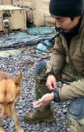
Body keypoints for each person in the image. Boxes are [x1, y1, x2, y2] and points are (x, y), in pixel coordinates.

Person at [24, 0, 84, 131]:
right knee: (42, 70)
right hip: (77, 71)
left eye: (60, 20)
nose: (57, 25)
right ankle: (44, 113)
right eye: (55, 19)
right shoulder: (64, 27)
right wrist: (51, 73)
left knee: (77, 112)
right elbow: (58, 51)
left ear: (76, 15)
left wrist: (56, 95)